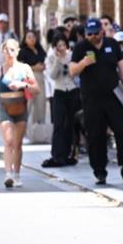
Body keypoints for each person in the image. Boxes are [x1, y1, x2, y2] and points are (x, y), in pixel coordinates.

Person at [70, 17, 123, 185]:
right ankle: (99, 171)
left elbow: (122, 69)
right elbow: (72, 71)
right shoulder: (81, 47)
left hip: (113, 96)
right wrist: (83, 63)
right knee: (96, 135)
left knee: (122, 131)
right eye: (89, 34)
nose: (92, 37)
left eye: (95, 33)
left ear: (102, 31)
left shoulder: (112, 44)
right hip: (91, 99)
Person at [0, 39, 40, 188]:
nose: (9, 53)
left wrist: (23, 84)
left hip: (20, 108)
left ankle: (17, 174)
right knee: (8, 142)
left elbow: (36, 89)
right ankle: (8, 174)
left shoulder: (25, 68)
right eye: (6, 50)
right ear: (2, 52)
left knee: (18, 144)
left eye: (12, 50)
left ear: (17, 51)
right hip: (4, 109)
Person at [43, 33, 80, 168]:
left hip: (72, 90)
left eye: (64, 45)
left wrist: (68, 59)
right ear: (54, 47)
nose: (62, 48)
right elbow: (52, 75)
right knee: (58, 124)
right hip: (59, 92)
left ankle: (69, 153)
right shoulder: (51, 58)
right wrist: (58, 61)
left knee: (69, 124)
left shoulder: (72, 56)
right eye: (59, 46)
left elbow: (74, 73)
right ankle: (57, 155)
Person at [17, 30, 49, 143]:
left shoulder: (40, 50)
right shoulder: (23, 52)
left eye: (33, 37)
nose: (32, 39)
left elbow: (46, 61)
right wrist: (34, 67)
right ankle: (22, 134)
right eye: (29, 37)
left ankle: (38, 133)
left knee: (41, 106)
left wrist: (43, 66)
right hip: (29, 79)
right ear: (25, 39)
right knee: (28, 106)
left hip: (40, 79)